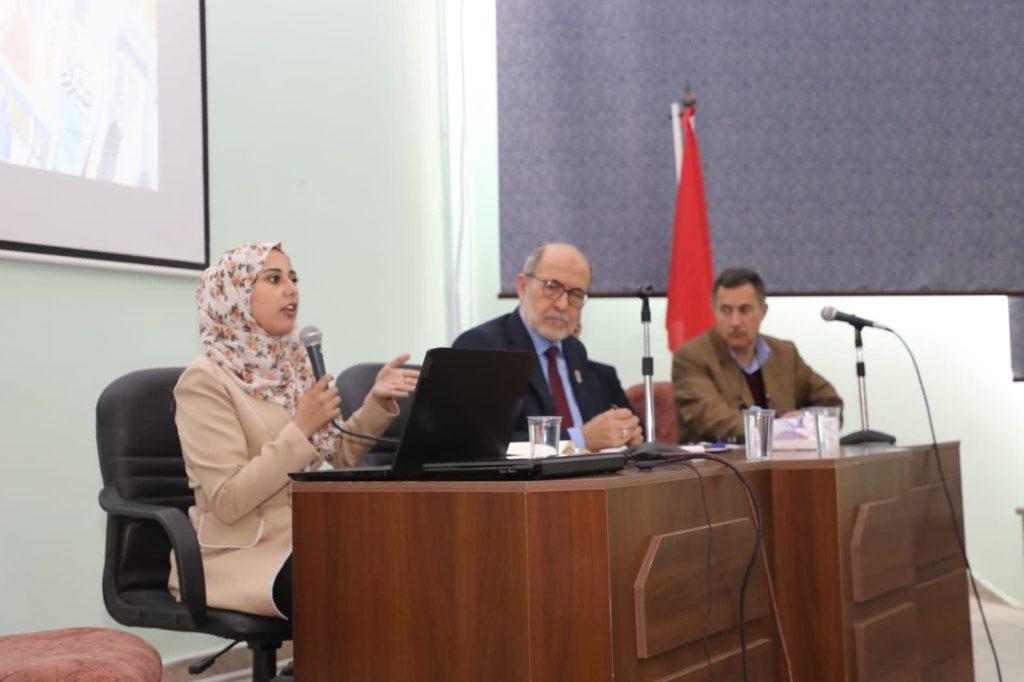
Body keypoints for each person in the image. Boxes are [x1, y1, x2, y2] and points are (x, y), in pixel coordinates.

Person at [169, 242, 419, 619]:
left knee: (407, 555)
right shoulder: (203, 381)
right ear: (235, 294)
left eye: (293, 279)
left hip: (304, 537)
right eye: (274, 279)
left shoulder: (293, 366)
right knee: (362, 581)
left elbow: (340, 456)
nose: (291, 290)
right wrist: (301, 428)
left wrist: (376, 401)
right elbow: (228, 500)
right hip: (240, 555)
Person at [452, 243, 641, 451]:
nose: (562, 305)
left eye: (576, 294)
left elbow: (632, 434)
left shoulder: (575, 351)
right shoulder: (481, 348)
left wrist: (626, 432)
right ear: (523, 287)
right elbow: (475, 441)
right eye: (552, 287)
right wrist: (579, 440)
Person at [672, 267, 842, 443]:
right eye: (726, 310)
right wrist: (782, 428)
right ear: (714, 310)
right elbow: (713, 420)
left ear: (763, 311)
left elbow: (830, 405)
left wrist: (804, 418)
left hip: (786, 458)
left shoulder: (784, 353)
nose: (735, 322)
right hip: (720, 459)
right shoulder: (691, 357)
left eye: (744, 310)